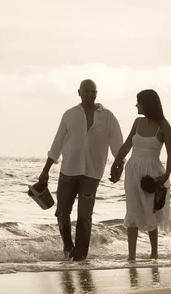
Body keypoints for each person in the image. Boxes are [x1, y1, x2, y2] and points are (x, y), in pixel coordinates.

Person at [38, 80, 124, 261]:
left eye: (93, 91)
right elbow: (57, 144)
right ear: (79, 92)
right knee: (62, 212)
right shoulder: (69, 115)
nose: (90, 94)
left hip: (92, 173)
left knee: (85, 215)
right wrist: (45, 170)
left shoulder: (108, 116)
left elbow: (118, 146)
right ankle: (68, 246)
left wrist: (119, 166)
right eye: (86, 91)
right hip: (68, 170)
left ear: (97, 93)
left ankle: (81, 254)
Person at [110, 89, 171, 261]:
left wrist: (165, 176)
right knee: (132, 211)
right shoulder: (137, 122)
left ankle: (154, 254)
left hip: (151, 172)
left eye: (138, 101)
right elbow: (126, 146)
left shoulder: (164, 126)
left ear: (146, 104)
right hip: (133, 169)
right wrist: (115, 163)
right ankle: (131, 256)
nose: (136, 105)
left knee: (150, 211)